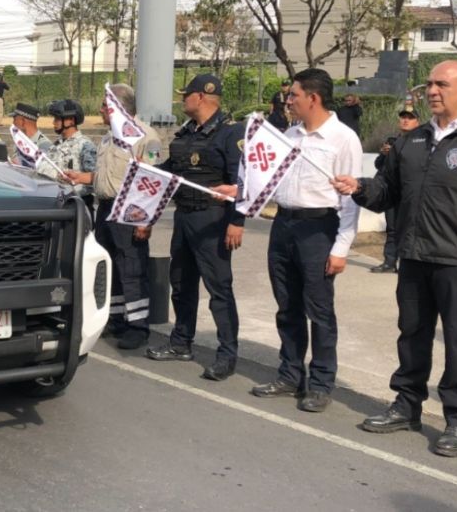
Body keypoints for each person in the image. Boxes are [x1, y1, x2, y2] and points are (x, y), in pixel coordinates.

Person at [331, 60, 457, 458]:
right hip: (414, 257)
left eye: (441, 84)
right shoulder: (412, 142)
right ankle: (406, 404)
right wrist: (359, 188)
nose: (432, 90)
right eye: (429, 84)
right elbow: (387, 192)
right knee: (412, 333)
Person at [222, 68, 361, 413]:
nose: (288, 100)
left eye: (294, 95)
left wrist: (341, 248)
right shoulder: (289, 136)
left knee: (320, 311)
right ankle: (289, 374)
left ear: (313, 98)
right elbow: (269, 183)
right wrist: (238, 191)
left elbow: (350, 199)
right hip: (283, 225)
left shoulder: (343, 139)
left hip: (319, 229)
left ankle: (321, 382)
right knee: (287, 306)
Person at [144, 75, 244, 381]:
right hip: (184, 216)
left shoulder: (230, 133)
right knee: (182, 283)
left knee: (218, 289)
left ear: (200, 97)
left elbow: (243, 180)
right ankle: (181, 342)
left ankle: (226, 354)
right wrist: (144, 169)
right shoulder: (186, 132)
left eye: (185, 95)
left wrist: (237, 222)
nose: (181, 99)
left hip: (214, 219)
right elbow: (172, 172)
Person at [62, 84, 162, 350]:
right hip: (106, 208)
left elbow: (152, 181)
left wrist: (145, 220)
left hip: (131, 210)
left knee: (132, 269)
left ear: (118, 107)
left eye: (105, 105)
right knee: (112, 270)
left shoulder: (145, 136)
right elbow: (106, 177)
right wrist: (81, 178)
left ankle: (138, 326)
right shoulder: (108, 137)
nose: (100, 110)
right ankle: (117, 320)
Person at [370, 105, 420, 273]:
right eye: (403, 117)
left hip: (409, 192)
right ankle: (389, 261)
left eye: (410, 117)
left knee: (409, 228)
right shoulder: (392, 140)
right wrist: (385, 155)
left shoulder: (421, 141)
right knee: (392, 228)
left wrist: (397, 154)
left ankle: (408, 264)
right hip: (392, 190)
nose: (405, 120)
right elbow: (378, 165)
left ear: (417, 121)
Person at [44, 99, 97, 212]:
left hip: (78, 206)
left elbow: (95, 179)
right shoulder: (55, 145)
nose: (54, 122)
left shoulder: (85, 145)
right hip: (57, 204)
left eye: (57, 119)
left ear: (71, 121)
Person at [10, 102, 52, 167]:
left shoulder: (43, 144)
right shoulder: (20, 140)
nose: (13, 123)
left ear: (23, 121)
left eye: (15, 119)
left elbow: (44, 171)